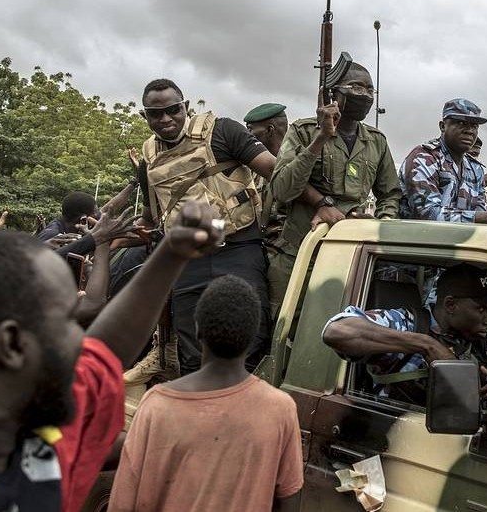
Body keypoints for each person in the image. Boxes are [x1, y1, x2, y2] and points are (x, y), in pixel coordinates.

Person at [0, 200, 223, 511]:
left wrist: (174, 252)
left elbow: (105, 348)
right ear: (12, 344)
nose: (83, 339)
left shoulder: (27, 432)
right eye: (69, 320)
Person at [109, 276, 303, 512]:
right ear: (254, 336)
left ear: (197, 329)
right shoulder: (280, 408)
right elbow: (289, 498)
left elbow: (122, 502)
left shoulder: (158, 405)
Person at [137, 78, 276, 377]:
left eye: (173, 110)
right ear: (144, 116)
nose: (165, 119)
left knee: (250, 339)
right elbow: (152, 212)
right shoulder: (148, 156)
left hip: (238, 247)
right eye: (155, 114)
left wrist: (321, 203)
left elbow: (274, 172)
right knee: (191, 348)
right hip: (188, 259)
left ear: (185, 106)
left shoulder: (224, 130)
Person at [270, 54, 401, 315]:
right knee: (287, 331)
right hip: (299, 256)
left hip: (348, 259)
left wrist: (379, 227)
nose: (364, 95)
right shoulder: (303, 131)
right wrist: (321, 137)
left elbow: (390, 194)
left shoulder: (376, 141)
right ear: (333, 94)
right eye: (356, 88)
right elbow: (282, 189)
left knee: (338, 332)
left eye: (369, 90)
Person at [322, 264, 487, 422]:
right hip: (391, 439)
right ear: (450, 304)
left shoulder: (482, 346)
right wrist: (426, 345)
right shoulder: (409, 323)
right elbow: (336, 330)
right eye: (481, 310)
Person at [399, 99, 487, 224]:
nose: (469, 131)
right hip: (415, 240)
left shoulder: (475, 169)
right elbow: (428, 214)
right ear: (443, 126)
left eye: (474, 126)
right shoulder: (423, 158)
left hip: (458, 241)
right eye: (461, 123)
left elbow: (480, 212)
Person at [244, 102, 292, 317]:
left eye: (251, 129)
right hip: (258, 250)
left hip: (284, 254)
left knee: (276, 313)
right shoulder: (252, 167)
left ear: (270, 129)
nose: (247, 134)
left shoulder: (294, 166)